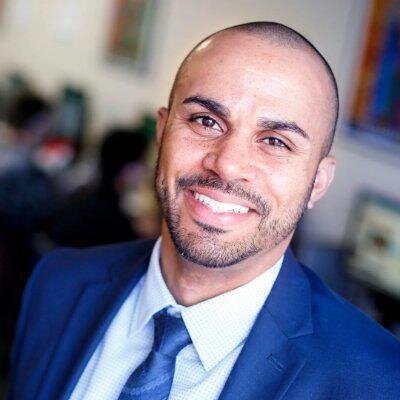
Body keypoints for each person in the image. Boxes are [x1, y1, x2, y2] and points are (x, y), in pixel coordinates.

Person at [8, 22, 400, 400]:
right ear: (162, 133)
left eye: (275, 142)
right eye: (206, 121)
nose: (227, 164)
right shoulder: (57, 282)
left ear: (318, 182)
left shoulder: (378, 382)